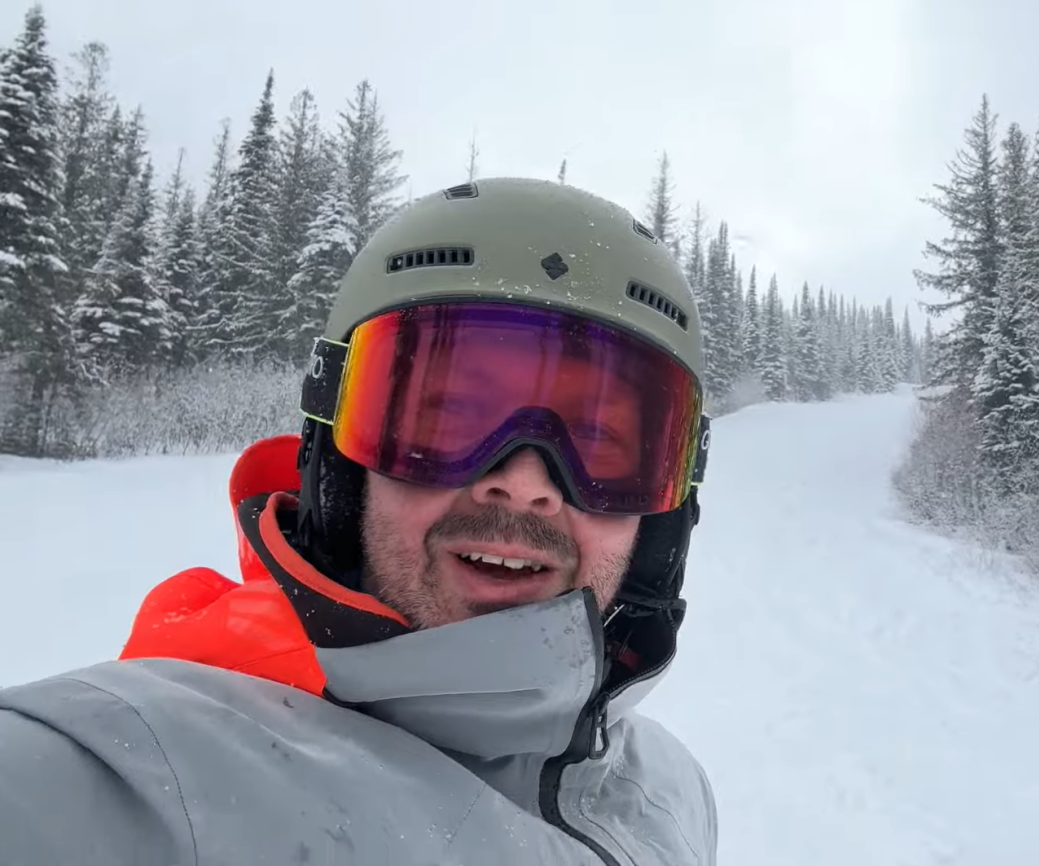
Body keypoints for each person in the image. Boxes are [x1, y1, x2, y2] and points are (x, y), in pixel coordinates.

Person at [0, 178, 718, 865]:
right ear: (336, 461)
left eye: (603, 445)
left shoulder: (668, 790)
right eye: (445, 418)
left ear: (664, 518)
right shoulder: (149, 773)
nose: (525, 484)